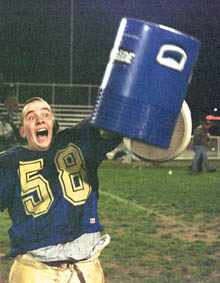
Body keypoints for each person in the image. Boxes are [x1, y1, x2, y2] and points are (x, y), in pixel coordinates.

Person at [0, 97, 122, 282]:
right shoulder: (8, 162)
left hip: (86, 268)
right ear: (23, 131)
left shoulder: (78, 139)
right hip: (35, 270)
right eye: (31, 117)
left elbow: (113, 123)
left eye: (45, 114)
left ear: (53, 124)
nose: (40, 119)